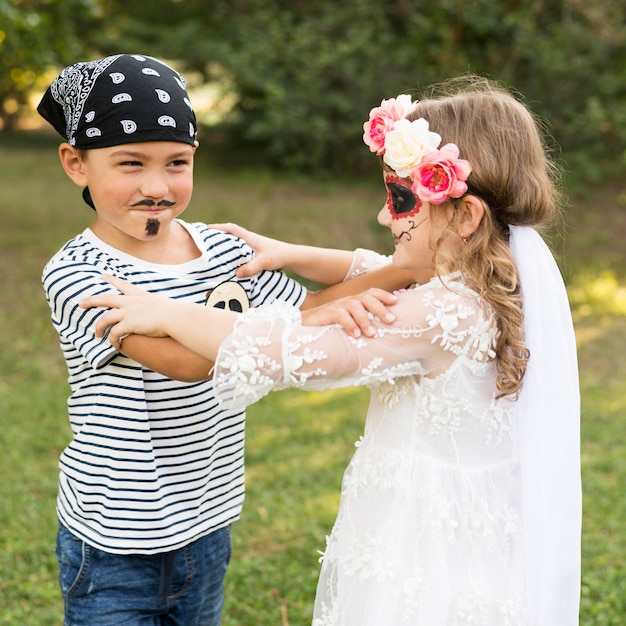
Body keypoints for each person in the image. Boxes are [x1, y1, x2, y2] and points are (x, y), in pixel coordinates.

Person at [81, 75, 582, 625]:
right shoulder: (485, 277)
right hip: (461, 526)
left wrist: (170, 313)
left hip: (426, 544)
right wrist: (292, 252)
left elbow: (296, 352)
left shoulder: (443, 312)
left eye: (400, 198)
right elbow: (377, 270)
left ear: (464, 216)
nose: (385, 216)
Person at [37, 53, 416, 626]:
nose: (157, 185)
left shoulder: (219, 250)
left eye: (177, 163)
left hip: (207, 519)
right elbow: (188, 361)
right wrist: (321, 320)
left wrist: (416, 265)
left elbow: (307, 304)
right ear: (76, 163)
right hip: (114, 537)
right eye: (130, 163)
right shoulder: (79, 273)